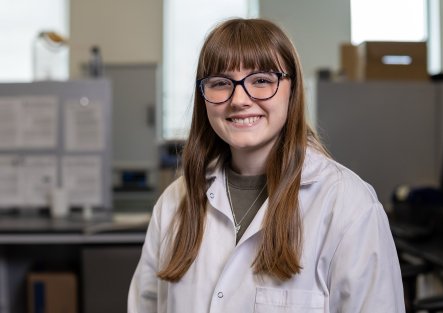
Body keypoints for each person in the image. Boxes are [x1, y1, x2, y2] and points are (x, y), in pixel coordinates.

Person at [128, 18, 405, 313]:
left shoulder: (348, 205)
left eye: (261, 80)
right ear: (203, 96)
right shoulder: (174, 202)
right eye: (220, 83)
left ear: (292, 89)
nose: (239, 100)